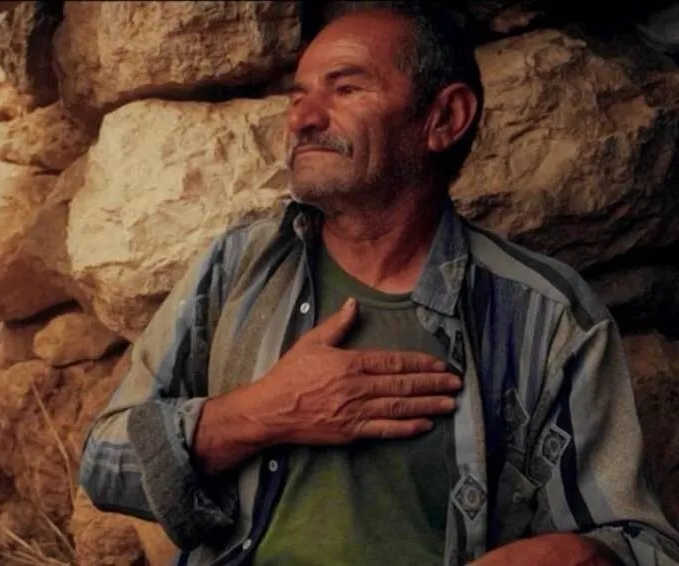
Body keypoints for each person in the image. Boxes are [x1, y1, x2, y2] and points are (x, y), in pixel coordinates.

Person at [77, 3, 679, 565]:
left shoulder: (546, 315)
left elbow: (640, 543)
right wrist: (260, 413)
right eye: (298, 96)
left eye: (345, 89)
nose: (302, 119)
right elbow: (103, 462)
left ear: (445, 118)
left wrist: (577, 555)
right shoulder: (236, 267)